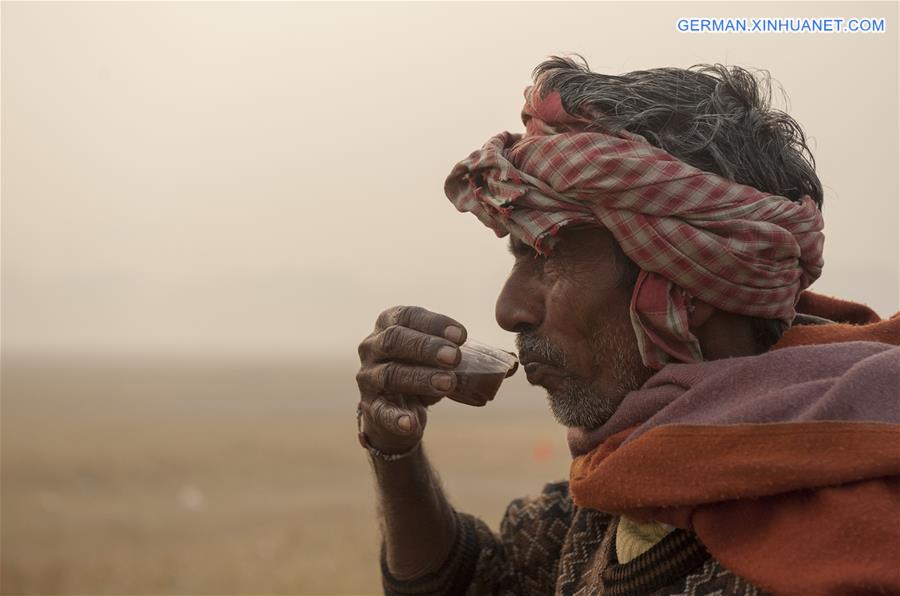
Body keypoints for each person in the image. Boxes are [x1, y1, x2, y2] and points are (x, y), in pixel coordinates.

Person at [355, 56, 900, 595]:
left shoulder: (852, 540)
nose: (509, 310)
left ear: (688, 284)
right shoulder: (630, 476)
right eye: (519, 257)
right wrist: (394, 453)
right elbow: (479, 582)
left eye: (550, 255)